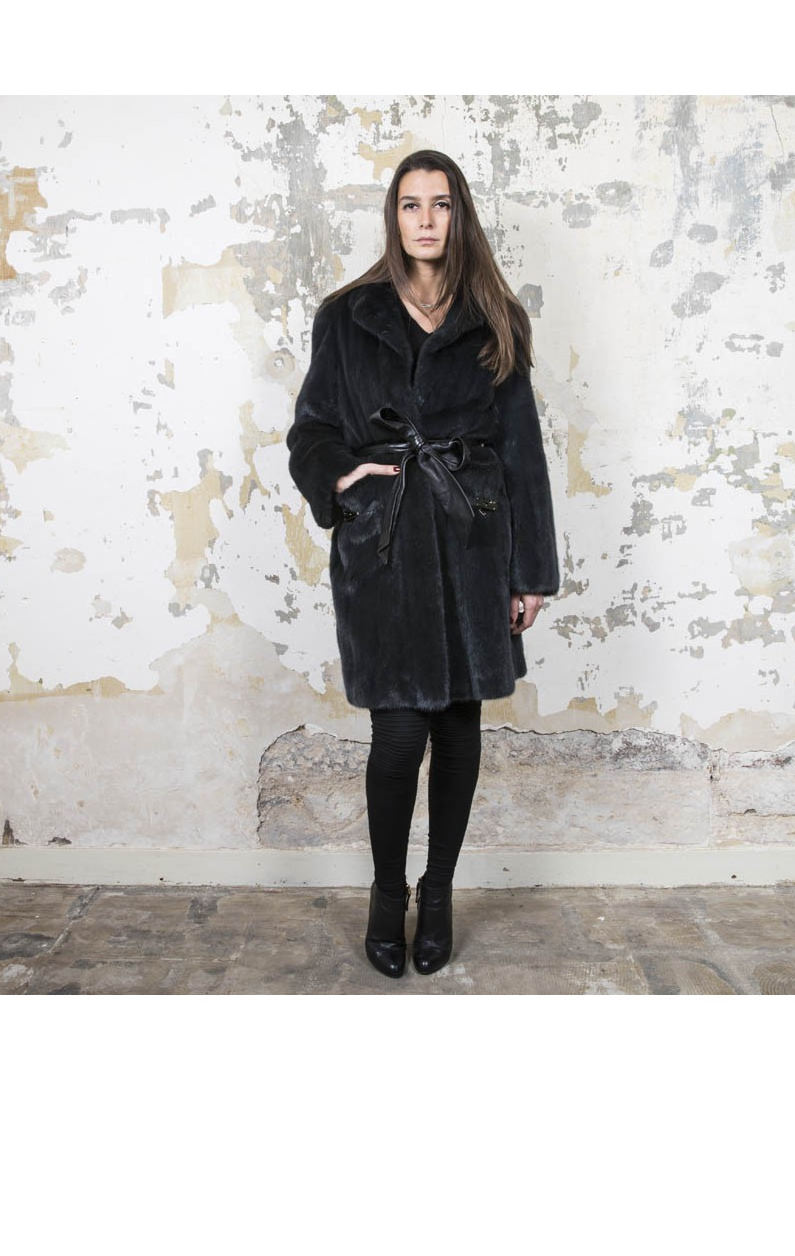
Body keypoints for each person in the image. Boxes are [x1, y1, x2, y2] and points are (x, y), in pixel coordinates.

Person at [286, 149, 560, 979]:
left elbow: (522, 452)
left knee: (459, 728)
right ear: (394, 217)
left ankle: (437, 894)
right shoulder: (348, 316)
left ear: (459, 214)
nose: (427, 219)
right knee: (399, 733)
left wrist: (530, 572)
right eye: (412, 204)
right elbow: (311, 428)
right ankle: (387, 892)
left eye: (441, 204)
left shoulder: (496, 317)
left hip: (474, 544)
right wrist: (343, 476)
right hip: (385, 545)